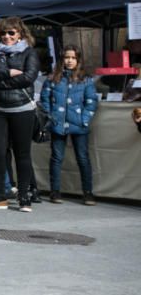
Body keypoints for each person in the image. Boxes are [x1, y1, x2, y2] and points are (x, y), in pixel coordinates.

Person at [0, 16, 40, 212]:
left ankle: (24, 195)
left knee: (22, 153)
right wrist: (7, 73)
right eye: (3, 33)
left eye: (11, 33)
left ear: (20, 34)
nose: (7, 36)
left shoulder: (29, 53)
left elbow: (29, 77)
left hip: (22, 108)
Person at [40, 46, 98, 205]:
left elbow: (91, 101)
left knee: (83, 158)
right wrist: (51, 117)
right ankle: (55, 191)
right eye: (67, 57)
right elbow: (45, 99)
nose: (70, 61)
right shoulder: (53, 78)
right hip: (58, 124)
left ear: (78, 60)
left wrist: (84, 119)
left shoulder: (85, 79)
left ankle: (88, 192)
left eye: (73, 58)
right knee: (57, 158)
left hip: (79, 125)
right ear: (62, 59)